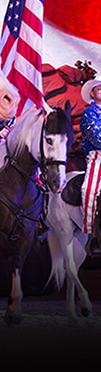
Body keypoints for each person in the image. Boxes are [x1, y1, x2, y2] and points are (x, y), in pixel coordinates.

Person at [79, 78, 101, 257]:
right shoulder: (89, 113)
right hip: (98, 156)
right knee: (90, 190)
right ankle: (92, 233)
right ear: (92, 94)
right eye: (98, 88)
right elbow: (96, 138)